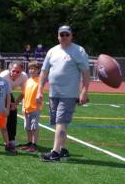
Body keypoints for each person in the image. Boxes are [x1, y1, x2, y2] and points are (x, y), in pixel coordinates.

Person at [37, 25, 90, 162]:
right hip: (54, 93)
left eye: (67, 34)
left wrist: (84, 91)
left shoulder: (79, 50)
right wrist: (39, 90)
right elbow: (44, 72)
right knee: (58, 122)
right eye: (62, 35)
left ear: (71, 36)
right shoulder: (52, 51)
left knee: (61, 121)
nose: (64, 37)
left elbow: (85, 72)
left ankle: (55, 153)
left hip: (69, 94)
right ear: (58, 36)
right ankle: (62, 148)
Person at [0, 61, 28, 148]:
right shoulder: (3, 76)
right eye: (13, 71)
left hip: (9, 93)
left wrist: (15, 104)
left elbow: (24, 92)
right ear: (9, 70)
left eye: (18, 72)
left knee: (13, 112)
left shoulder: (24, 76)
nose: (16, 73)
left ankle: (11, 138)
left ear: (22, 71)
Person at [16, 60, 43, 152]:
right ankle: (29, 142)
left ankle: (34, 144)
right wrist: (23, 106)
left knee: (34, 127)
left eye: (34, 69)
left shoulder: (39, 80)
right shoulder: (27, 81)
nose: (32, 70)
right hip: (27, 108)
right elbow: (24, 94)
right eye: (30, 69)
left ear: (38, 70)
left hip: (35, 108)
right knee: (27, 127)